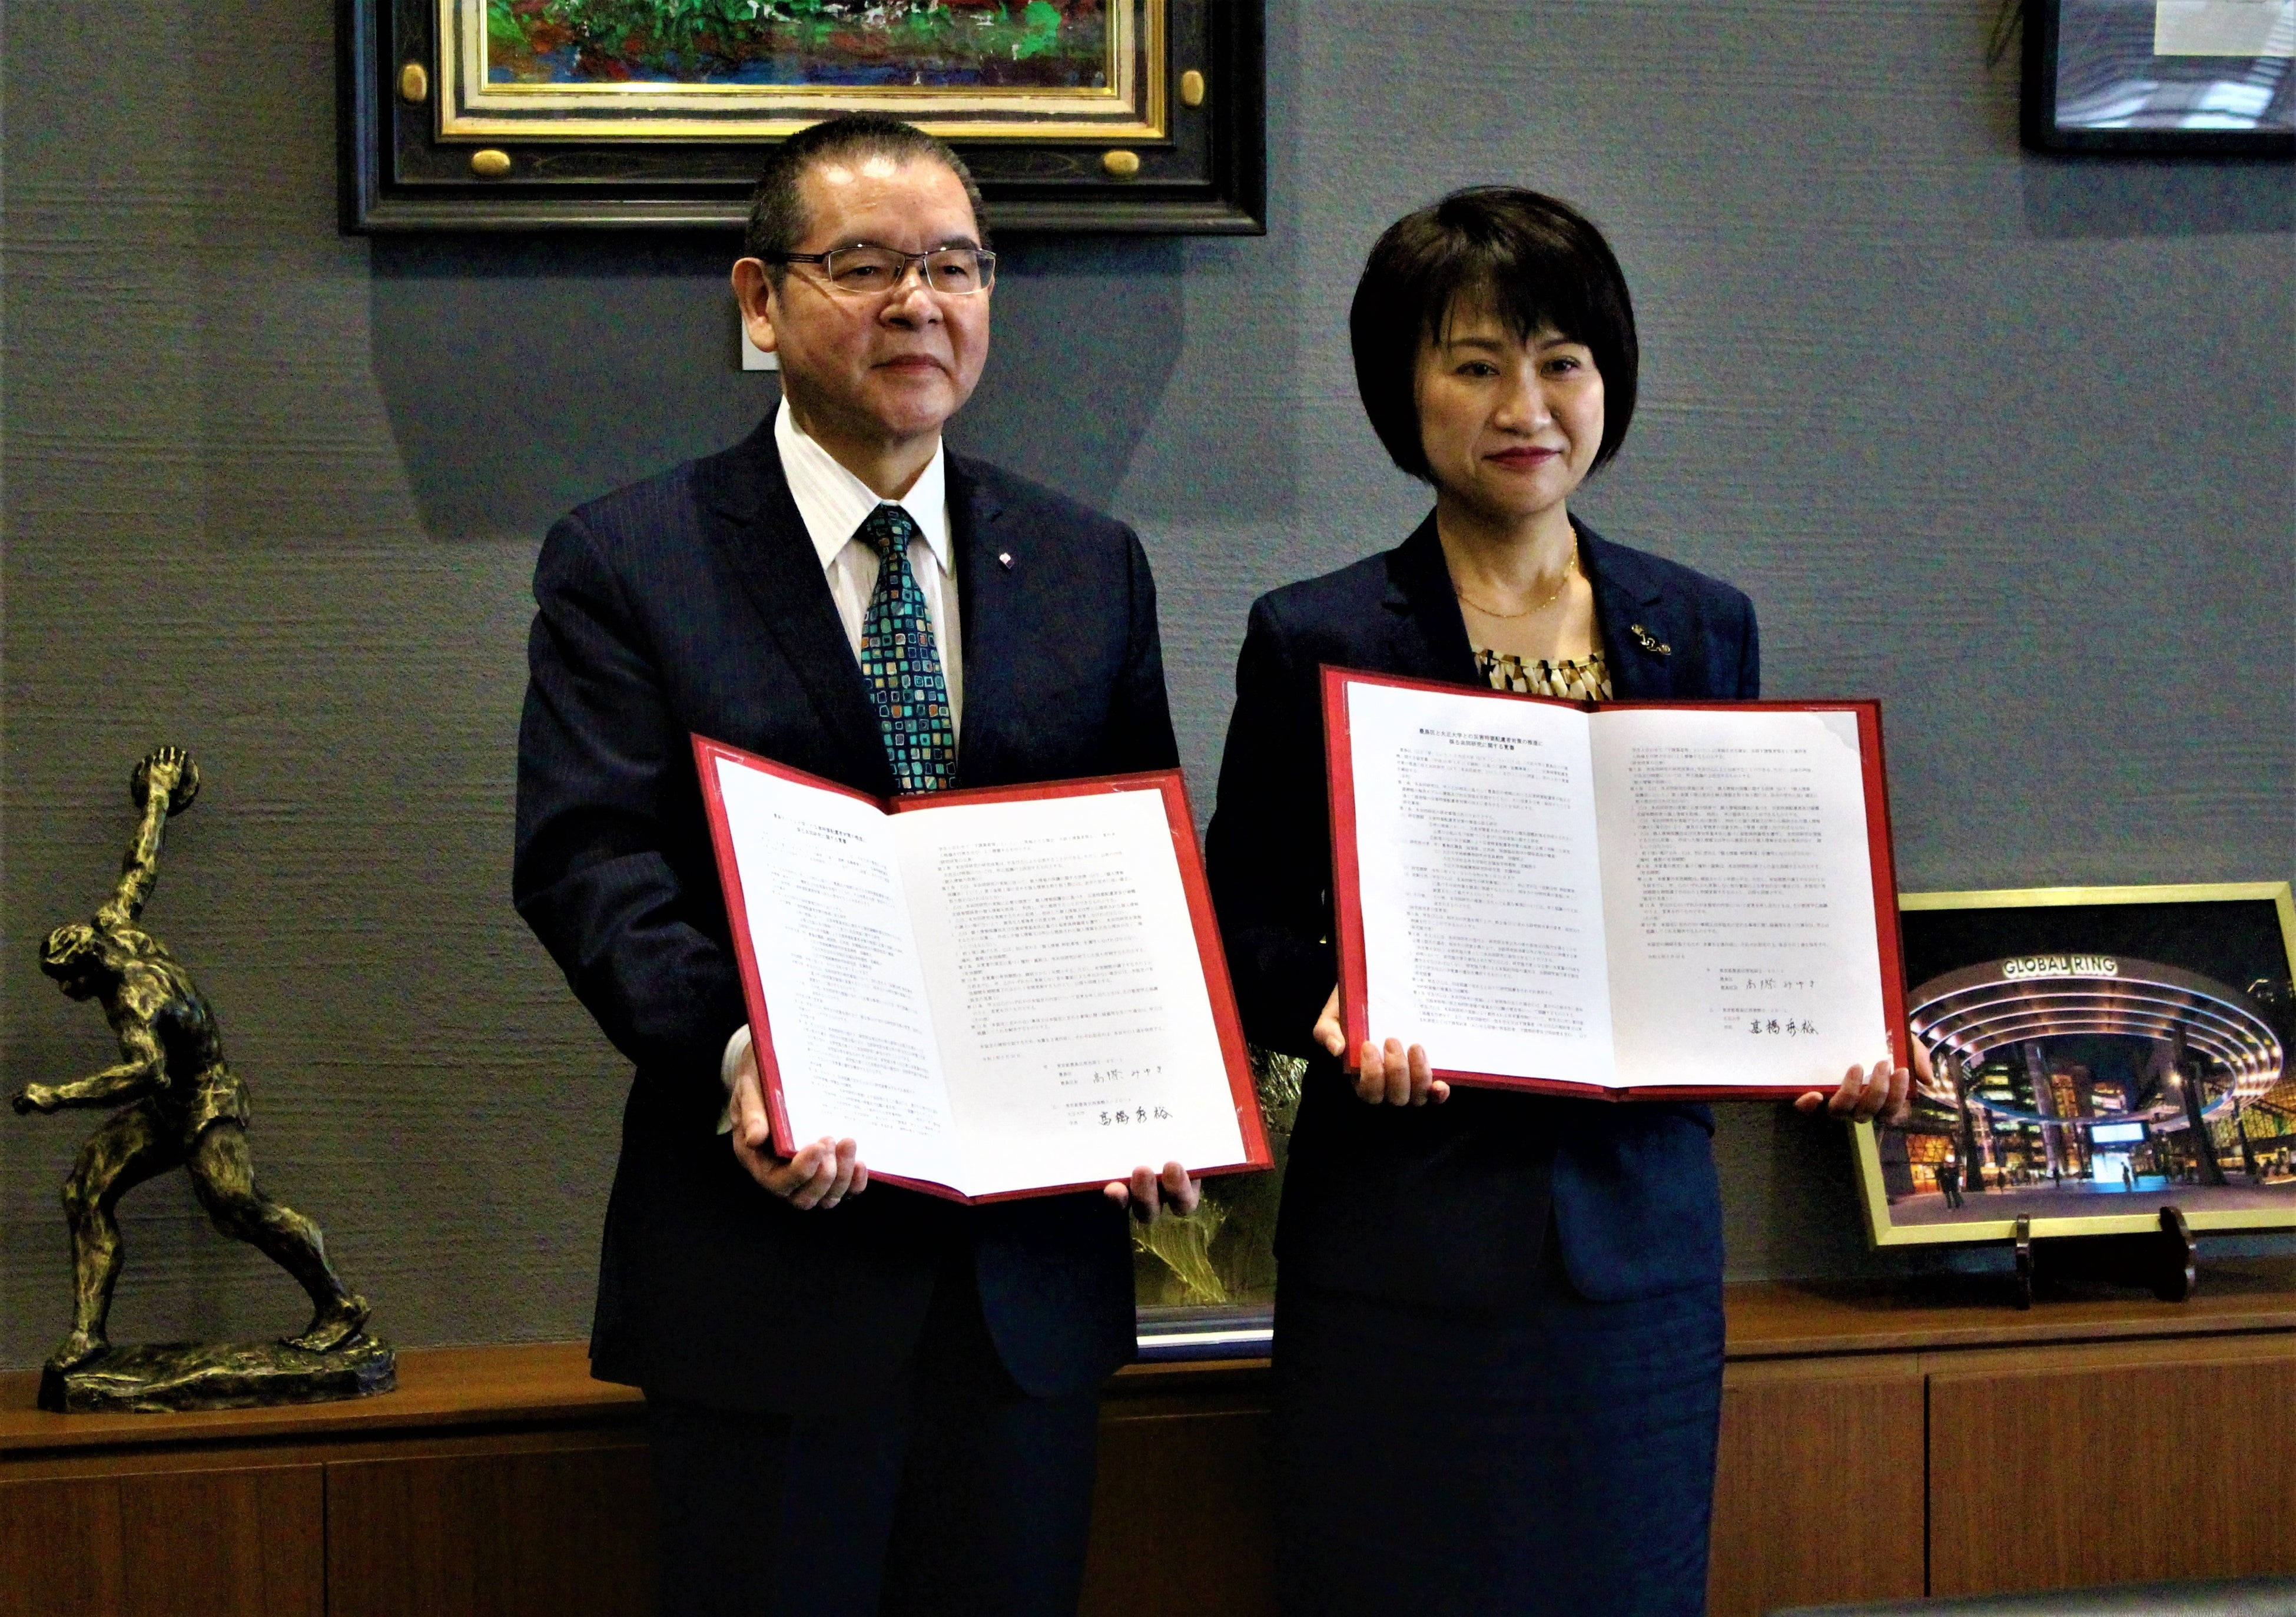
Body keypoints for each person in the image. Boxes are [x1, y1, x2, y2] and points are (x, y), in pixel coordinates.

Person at [514, 114, 1195, 1617]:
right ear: (760, 300)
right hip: (768, 1271)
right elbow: (590, 862)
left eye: (956, 266)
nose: (920, 305)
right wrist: (739, 1047)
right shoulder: (632, 559)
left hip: (1029, 1290)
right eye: (865, 265)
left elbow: (1131, 865)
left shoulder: (1088, 562)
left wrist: (1152, 1074)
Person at [1205, 187, 1914, 1617]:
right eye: (1474, 364)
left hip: (1635, 1250)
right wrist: (1337, 1008)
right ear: (1401, 389)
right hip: (1404, 1251)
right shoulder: (1319, 635)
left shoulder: (1698, 622)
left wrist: (1825, 1039)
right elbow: (1240, 925)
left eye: (1562, 360)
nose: (1524, 403)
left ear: (1610, 379)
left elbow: (1735, 899)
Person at [8, 747, 369, 1373]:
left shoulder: (131, 1002)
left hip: (202, 1098)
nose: (68, 996)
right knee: (87, 1187)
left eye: (65, 982)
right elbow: (139, 866)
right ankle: (87, 1335)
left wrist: (56, 1095)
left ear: (81, 971)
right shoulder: (114, 925)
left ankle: (339, 1304)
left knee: (236, 1205)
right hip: (170, 1102)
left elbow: (147, 1070)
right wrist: (157, 794)